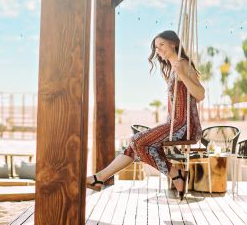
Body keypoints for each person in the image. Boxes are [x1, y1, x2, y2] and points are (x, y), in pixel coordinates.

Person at [86, 30, 205, 199]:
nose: (159, 50)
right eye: (156, 47)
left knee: (136, 141)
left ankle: (176, 174)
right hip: (173, 123)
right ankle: (99, 179)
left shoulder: (183, 64)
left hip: (182, 124)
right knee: (132, 148)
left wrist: (183, 75)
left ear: (174, 43)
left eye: (162, 45)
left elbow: (200, 95)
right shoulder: (173, 68)